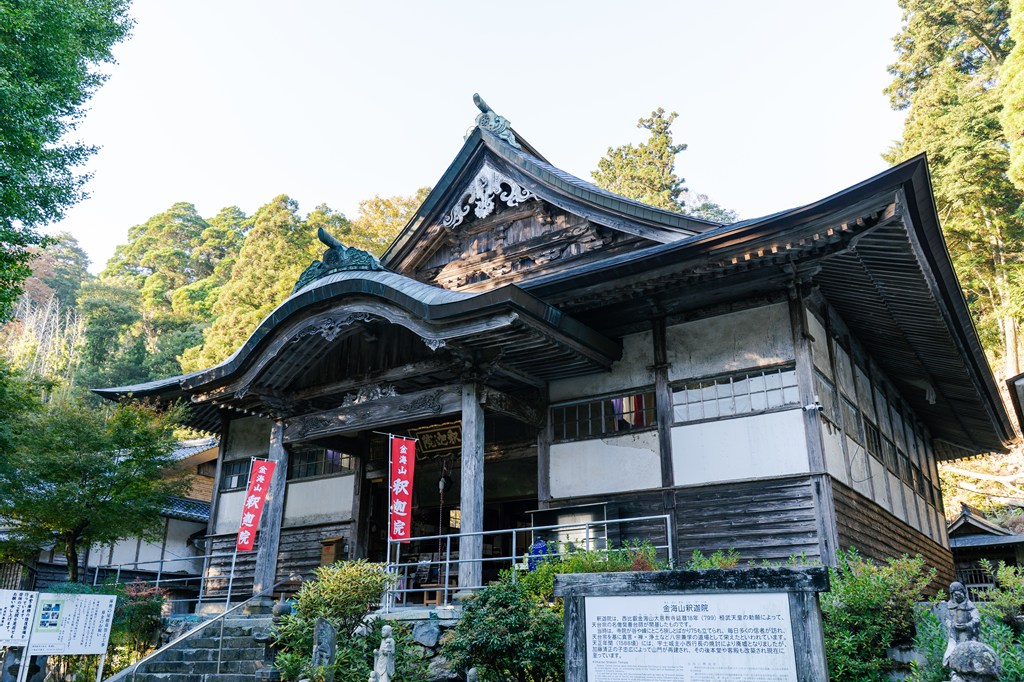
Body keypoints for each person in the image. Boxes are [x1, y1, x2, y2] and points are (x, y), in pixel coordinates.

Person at [944, 581, 981, 666]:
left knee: (969, 654)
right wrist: (953, 625)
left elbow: (976, 619)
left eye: (959, 594)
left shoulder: (970, 606)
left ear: (963, 593)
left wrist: (967, 625)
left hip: (968, 635)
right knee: (952, 654)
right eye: (955, 595)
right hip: (955, 636)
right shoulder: (950, 607)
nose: (957, 597)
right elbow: (947, 619)